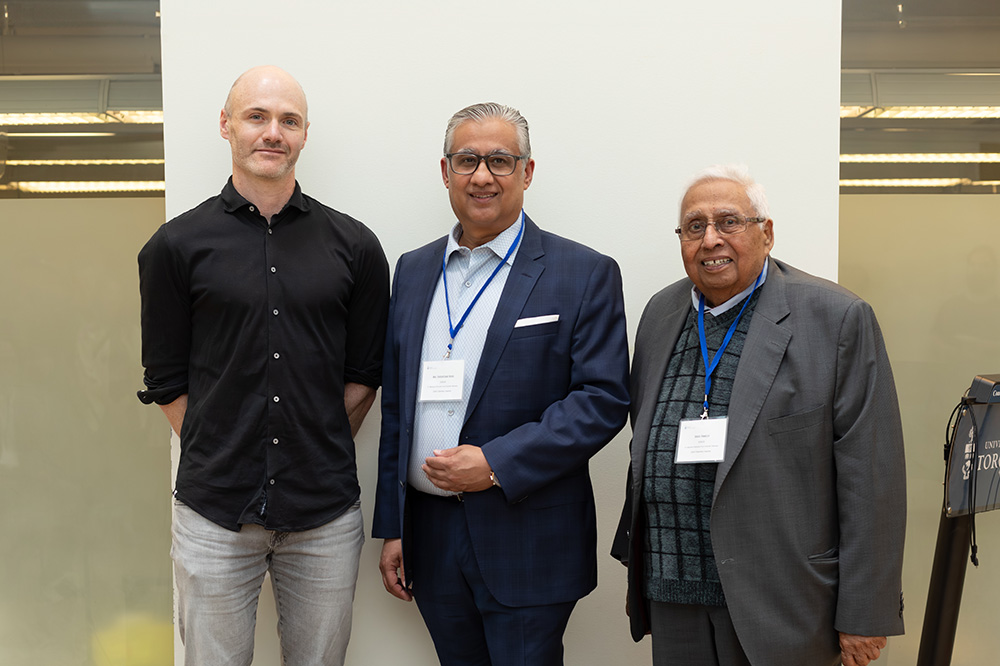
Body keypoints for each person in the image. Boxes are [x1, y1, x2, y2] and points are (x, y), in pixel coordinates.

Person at [136, 65, 389, 665]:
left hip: (324, 513)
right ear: (226, 126)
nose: (273, 132)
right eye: (257, 116)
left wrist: (311, 445)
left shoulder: (356, 247)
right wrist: (225, 447)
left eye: (289, 120)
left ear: (304, 136)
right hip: (213, 514)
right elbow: (167, 382)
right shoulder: (174, 247)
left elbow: (362, 378)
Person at [612, 164, 906, 666]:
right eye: (694, 226)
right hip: (672, 595)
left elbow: (871, 478)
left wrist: (865, 612)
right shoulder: (660, 314)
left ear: (765, 233)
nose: (710, 240)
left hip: (784, 604)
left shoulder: (835, 319)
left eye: (729, 222)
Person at [373, 102, 630, 665]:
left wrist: (492, 464)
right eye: (467, 160)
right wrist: (393, 527)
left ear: (527, 172)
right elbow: (399, 406)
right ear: (445, 172)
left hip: (527, 538)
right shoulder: (413, 270)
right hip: (431, 537)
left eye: (499, 160)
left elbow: (602, 401)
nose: (482, 175)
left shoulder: (583, 272)